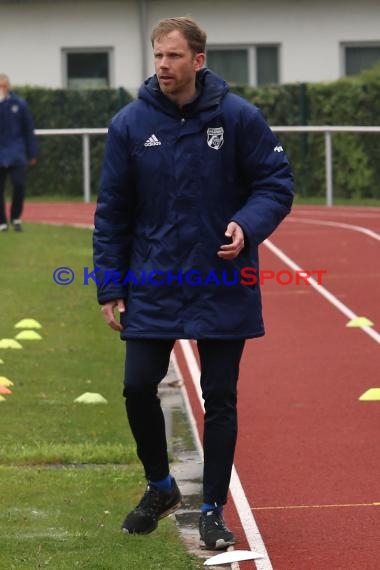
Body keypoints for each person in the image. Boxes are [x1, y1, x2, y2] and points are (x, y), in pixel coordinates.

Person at [93, 17, 293, 550]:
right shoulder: (130, 125)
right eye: (158, 55)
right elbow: (112, 211)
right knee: (137, 386)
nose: (163, 65)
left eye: (174, 56)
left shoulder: (239, 118)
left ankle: (211, 507)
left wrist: (246, 226)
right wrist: (111, 284)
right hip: (153, 281)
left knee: (220, 397)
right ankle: (160, 486)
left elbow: (276, 183)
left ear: (198, 61)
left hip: (221, 281)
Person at [0, 73, 37, 232]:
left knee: (19, 185)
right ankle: (1, 222)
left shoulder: (19, 104)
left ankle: (16, 217)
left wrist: (32, 153)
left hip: (16, 152)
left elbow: (28, 129)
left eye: (4, 85)